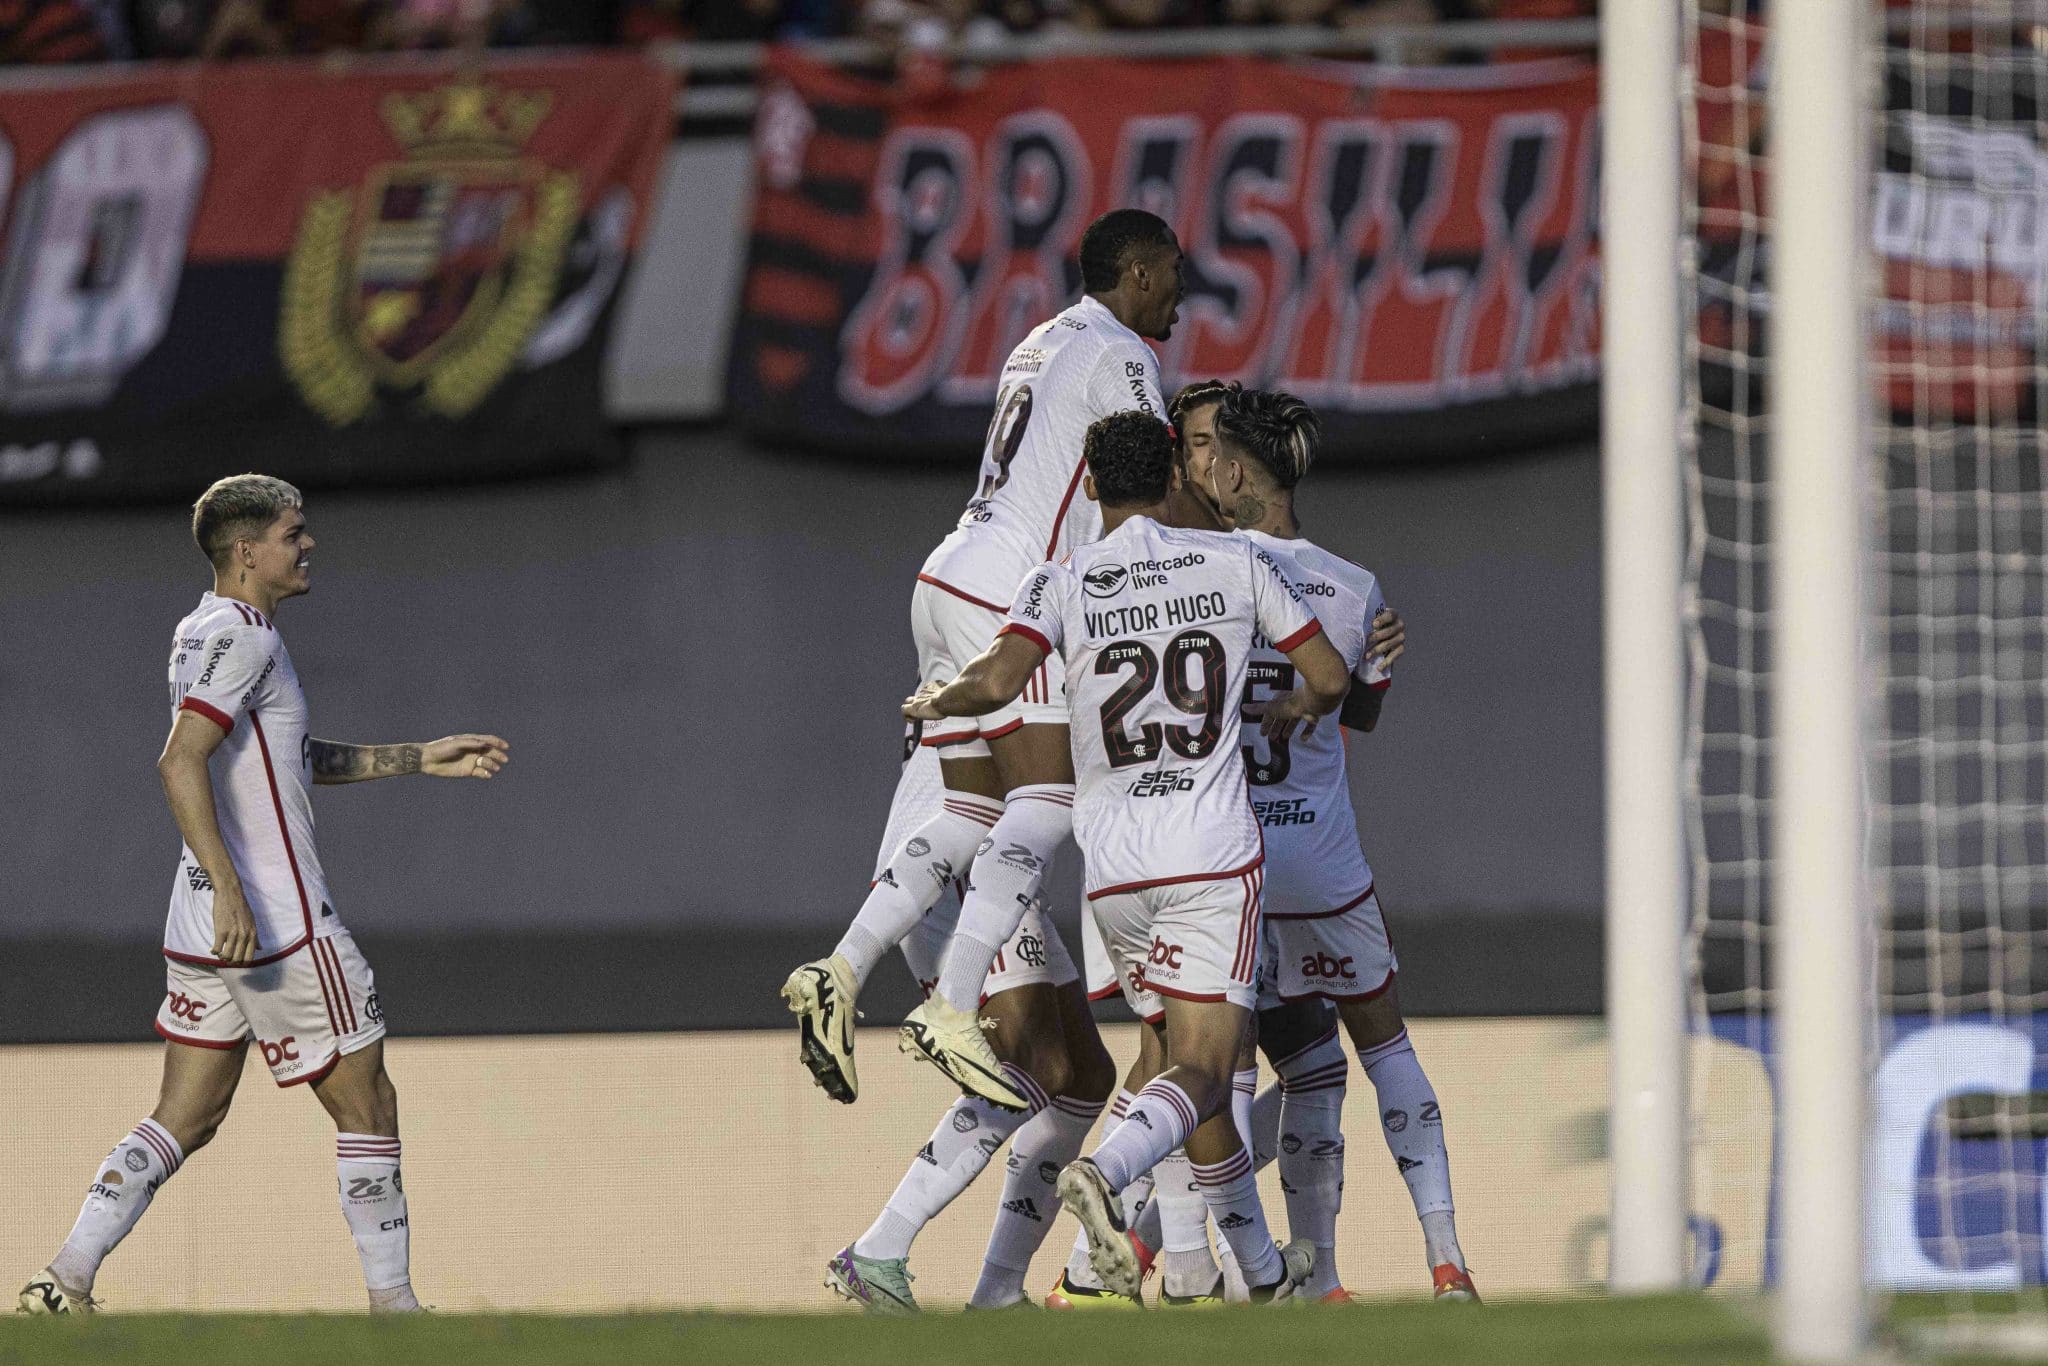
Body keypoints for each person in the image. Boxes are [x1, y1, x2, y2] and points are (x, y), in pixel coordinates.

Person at [16, 474, 510, 1316]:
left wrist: (417, 756)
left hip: (202, 917)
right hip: (272, 921)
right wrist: (237, 895)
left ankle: (64, 1278)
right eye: (293, 533)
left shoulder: (202, 633)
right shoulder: (244, 639)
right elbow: (180, 760)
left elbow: (281, 758)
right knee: (370, 1102)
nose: (307, 544)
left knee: (186, 1115)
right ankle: (397, 1313)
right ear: (248, 553)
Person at [905, 409, 1352, 1302]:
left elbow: (993, 681)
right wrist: (1288, 706)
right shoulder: (1238, 562)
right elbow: (1331, 676)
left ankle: (1250, 1276)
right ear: (1173, 478)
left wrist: (935, 698)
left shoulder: (1060, 579)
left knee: (1184, 1069)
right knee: (1205, 1070)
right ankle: (1105, 1172)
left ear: (1094, 485)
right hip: (1210, 854)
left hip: (1113, 871)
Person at [783, 207, 1183, 1113]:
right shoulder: (1125, 354)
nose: (1183, 290)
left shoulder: (1037, 341)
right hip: (1010, 593)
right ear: (1141, 272)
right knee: (1047, 796)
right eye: (1173, 270)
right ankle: (953, 1003)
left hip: (947, 572)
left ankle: (841, 970)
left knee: (967, 799)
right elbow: (1146, 483)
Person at [1173, 384, 1478, 1303]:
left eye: (1205, 456)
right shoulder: (1353, 586)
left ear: (1232, 470)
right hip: (1328, 868)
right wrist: (1375, 666)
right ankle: (1445, 1259)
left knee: (1212, 1064)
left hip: (1234, 866)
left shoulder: (1202, 572)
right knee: (1378, 1051)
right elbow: (1363, 713)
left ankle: (1233, 1271)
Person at [823, 735, 1117, 1312]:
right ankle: (878, 1249)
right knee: (1033, 1065)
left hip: (1000, 868)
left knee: (1084, 1076)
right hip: (959, 870)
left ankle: (998, 1289)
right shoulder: (1020, 649)